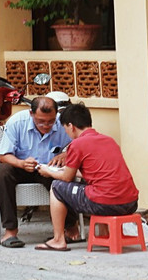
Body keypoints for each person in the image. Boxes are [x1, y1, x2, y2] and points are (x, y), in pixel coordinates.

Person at [34, 102, 139, 252]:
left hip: (105, 203)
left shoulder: (77, 144)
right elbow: (97, 173)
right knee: (96, 187)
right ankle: (104, 235)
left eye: (65, 129)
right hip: (130, 202)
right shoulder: (109, 140)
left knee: (57, 187)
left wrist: (47, 171)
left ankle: (58, 239)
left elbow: (66, 178)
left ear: (71, 126)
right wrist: (66, 169)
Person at [0, 95, 70, 248]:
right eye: (40, 121)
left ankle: (69, 228)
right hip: (21, 167)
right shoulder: (17, 122)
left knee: (65, 177)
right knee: (2, 172)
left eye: (50, 121)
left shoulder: (63, 123)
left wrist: (65, 154)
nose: (46, 125)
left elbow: (78, 146)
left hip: (48, 167)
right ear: (31, 114)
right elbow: (3, 156)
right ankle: (10, 231)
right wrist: (21, 163)